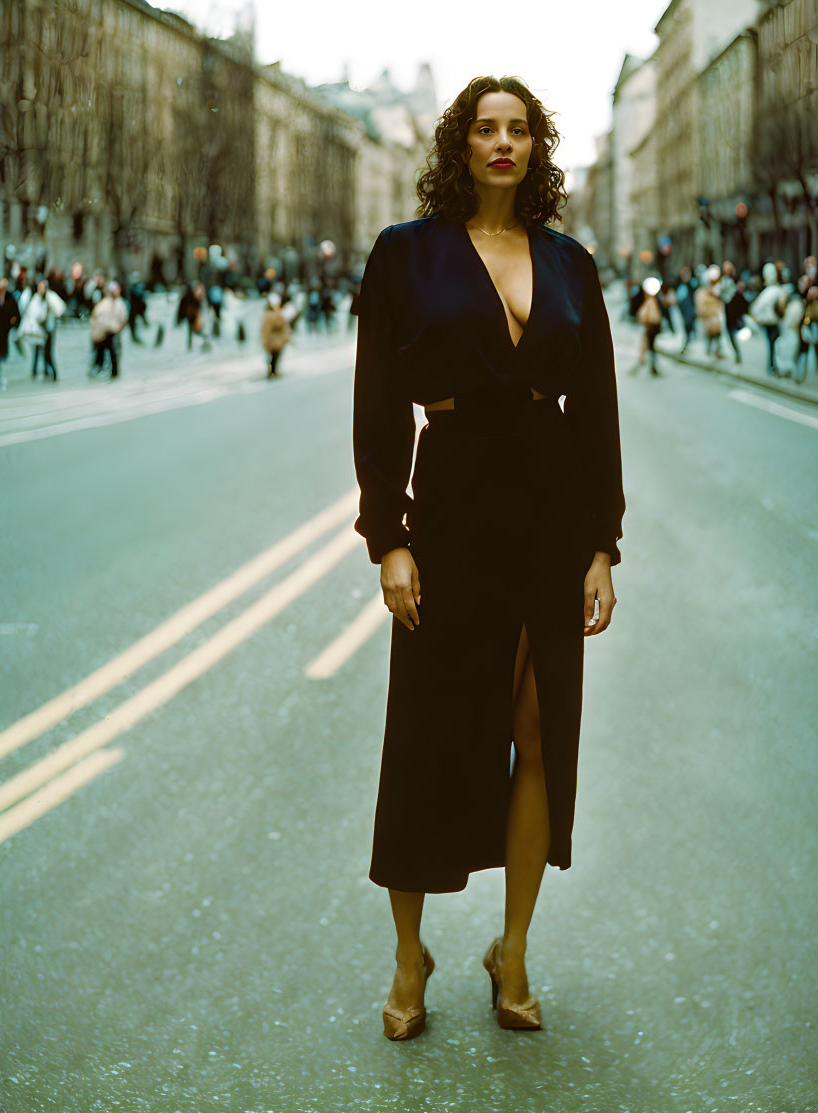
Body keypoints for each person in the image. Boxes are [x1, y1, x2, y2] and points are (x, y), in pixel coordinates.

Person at [352, 75, 624, 1042]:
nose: (501, 142)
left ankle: (510, 951)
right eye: (484, 127)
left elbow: (594, 406)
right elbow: (379, 401)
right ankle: (408, 955)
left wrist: (602, 542)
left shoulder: (569, 262)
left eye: (518, 129)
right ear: (459, 145)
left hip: (549, 511)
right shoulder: (406, 255)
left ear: (535, 146)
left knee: (538, 729)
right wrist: (389, 535)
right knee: (424, 730)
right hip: (455, 499)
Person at [17, 279, 66, 380]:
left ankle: (52, 374)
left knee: (48, 353)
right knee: (37, 353)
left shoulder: (50, 297)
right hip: (38, 331)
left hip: (49, 330)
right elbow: (31, 314)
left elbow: (59, 309)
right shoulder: (36, 298)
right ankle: (37, 373)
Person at [89, 281, 128, 378]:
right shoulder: (105, 304)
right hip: (105, 333)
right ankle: (101, 370)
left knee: (111, 353)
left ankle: (111, 372)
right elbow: (98, 319)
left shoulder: (119, 303)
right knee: (104, 353)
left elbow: (123, 317)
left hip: (112, 332)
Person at [632, 275, 663, 375]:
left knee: (650, 347)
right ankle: (651, 366)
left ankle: (651, 366)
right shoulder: (652, 301)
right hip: (651, 327)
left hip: (651, 327)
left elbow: (651, 316)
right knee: (650, 346)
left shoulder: (651, 301)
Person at [260, 292, 291, 377]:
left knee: (273, 355)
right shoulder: (272, 313)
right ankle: (272, 371)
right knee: (274, 355)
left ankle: (272, 371)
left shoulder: (268, 313)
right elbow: (278, 324)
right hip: (273, 338)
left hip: (272, 338)